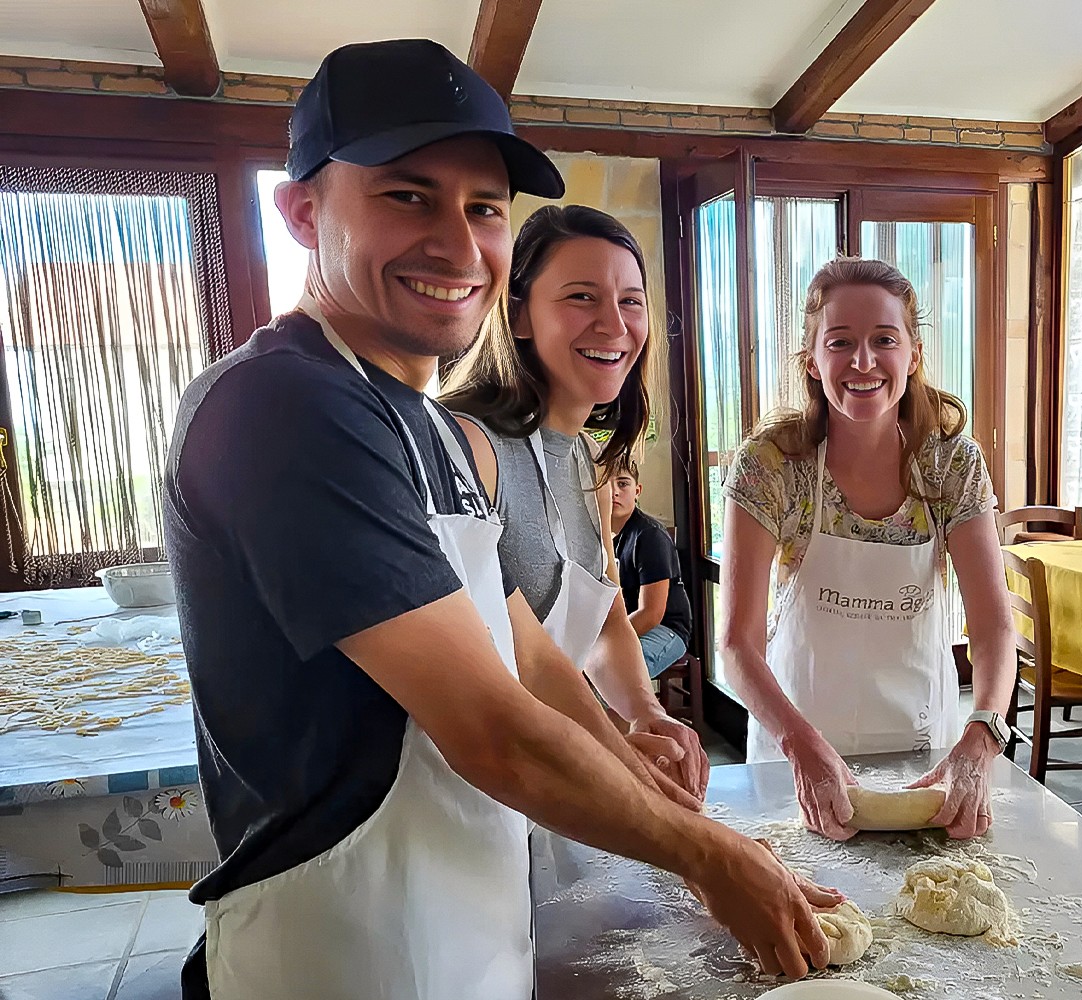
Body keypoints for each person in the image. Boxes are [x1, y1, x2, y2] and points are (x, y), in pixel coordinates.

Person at [163, 39, 832, 1000]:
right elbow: (491, 728)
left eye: (483, 208)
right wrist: (712, 861)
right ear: (303, 211)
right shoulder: (282, 408)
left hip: (464, 927)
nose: (455, 240)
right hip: (341, 949)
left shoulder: (432, 428)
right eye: (407, 195)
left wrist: (689, 818)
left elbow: (533, 662)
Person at [720, 258, 1018, 843]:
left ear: (913, 355)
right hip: (796, 752)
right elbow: (736, 643)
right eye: (840, 342)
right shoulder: (773, 464)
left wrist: (981, 736)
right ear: (812, 360)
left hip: (923, 753)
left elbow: (993, 628)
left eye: (884, 340)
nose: (863, 362)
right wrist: (797, 744)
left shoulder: (950, 462)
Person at [441, 204, 708, 798]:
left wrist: (645, 711)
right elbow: (516, 661)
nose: (614, 325)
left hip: (556, 783)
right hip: (469, 784)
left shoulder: (587, 458)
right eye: (582, 297)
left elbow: (609, 623)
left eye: (631, 300)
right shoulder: (466, 446)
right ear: (519, 316)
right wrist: (627, 770)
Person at [606, 460, 694, 678]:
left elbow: (651, 613)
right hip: (625, 627)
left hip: (666, 629)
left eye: (623, 484)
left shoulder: (649, 536)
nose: (614, 492)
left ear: (637, 491)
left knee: (619, 676)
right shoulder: (601, 535)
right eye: (606, 485)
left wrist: (608, 640)